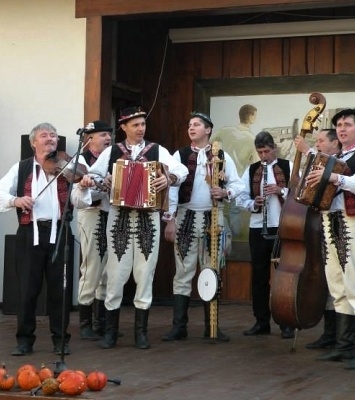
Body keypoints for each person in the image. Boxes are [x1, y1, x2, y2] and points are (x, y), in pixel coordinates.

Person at [0, 122, 94, 356]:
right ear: (33, 142)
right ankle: (24, 340)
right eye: (44, 135)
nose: (50, 139)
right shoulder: (21, 168)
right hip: (30, 233)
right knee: (27, 289)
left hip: (60, 231)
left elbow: (80, 202)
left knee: (60, 291)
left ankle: (60, 340)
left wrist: (84, 187)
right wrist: (15, 201)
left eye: (53, 135)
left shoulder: (69, 167)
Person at [88, 106, 188, 350]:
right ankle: (111, 332)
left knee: (145, 273)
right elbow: (91, 177)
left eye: (143, 124)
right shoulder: (112, 151)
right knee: (115, 274)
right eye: (135, 125)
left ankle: (140, 333)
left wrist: (169, 178)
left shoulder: (157, 150)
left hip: (148, 218)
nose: (141, 128)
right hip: (118, 217)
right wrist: (103, 180)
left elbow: (181, 170)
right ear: (124, 127)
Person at [310, 109, 355, 370]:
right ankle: (344, 346)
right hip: (330, 218)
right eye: (339, 125)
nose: (342, 129)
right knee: (337, 284)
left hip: (352, 220)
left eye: (347, 125)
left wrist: (333, 177)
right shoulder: (335, 157)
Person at [161, 112, 243, 343]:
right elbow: (171, 189)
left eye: (197, 124)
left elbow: (238, 185)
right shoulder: (180, 155)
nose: (191, 127)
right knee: (183, 272)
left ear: (208, 130)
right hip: (185, 216)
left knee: (211, 270)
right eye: (190, 124)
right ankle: (179, 327)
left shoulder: (222, 155)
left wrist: (225, 191)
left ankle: (212, 326)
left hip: (213, 217)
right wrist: (170, 219)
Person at [235, 131, 294, 339]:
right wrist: (253, 203)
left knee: (283, 277)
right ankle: (261, 322)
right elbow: (240, 196)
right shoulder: (252, 169)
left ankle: (286, 323)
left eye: (267, 151)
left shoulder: (288, 166)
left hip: (282, 227)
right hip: (258, 227)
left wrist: (280, 191)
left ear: (274, 148)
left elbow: (299, 194)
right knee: (259, 277)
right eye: (260, 152)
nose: (263, 156)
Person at [294, 129, 341, 349]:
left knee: (337, 281)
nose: (318, 144)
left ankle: (343, 335)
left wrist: (307, 151)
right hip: (320, 224)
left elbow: (331, 169)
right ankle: (330, 333)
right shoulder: (321, 163)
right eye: (316, 141)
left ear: (334, 143)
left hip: (338, 225)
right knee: (327, 279)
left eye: (321, 140)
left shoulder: (339, 163)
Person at [73, 120, 112, 340]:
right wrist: (103, 187)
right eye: (103, 135)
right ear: (89, 139)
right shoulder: (80, 162)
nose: (108, 138)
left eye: (109, 135)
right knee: (91, 267)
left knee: (107, 270)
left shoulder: (114, 158)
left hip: (110, 214)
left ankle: (101, 322)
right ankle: (85, 322)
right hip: (90, 215)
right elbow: (81, 195)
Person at [211, 104, 260, 236]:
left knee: (219, 209)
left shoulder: (225, 130)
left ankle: (223, 237)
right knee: (235, 211)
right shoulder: (252, 139)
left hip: (218, 176)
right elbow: (256, 163)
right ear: (251, 116)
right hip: (237, 179)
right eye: (255, 115)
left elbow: (209, 142)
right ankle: (234, 239)